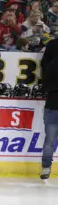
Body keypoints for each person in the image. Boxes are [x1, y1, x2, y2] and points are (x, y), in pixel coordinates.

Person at [40, 37, 58, 180]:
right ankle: (46, 167)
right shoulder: (52, 46)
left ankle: (46, 168)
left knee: (49, 141)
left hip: (51, 106)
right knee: (49, 141)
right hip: (52, 106)